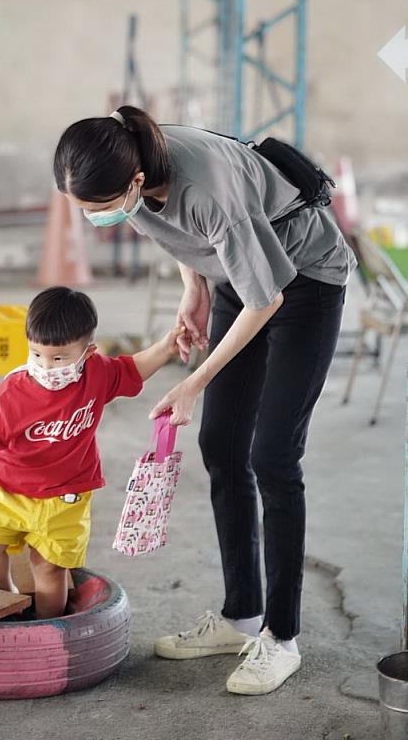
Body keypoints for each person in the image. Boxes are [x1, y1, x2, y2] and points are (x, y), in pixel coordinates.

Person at [53, 106, 357, 695]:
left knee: (271, 455)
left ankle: (281, 636)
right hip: (236, 281)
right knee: (221, 443)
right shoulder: (131, 165)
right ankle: (241, 614)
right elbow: (179, 236)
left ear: (136, 180)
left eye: (97, 208)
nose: (93, 218)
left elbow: (265, 299)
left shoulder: (207, 190)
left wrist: (193, 381)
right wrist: (192, 288)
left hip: (304, 283)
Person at [0, 286, 183, 620]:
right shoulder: (15, 389)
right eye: (37, 354)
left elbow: (133, 369)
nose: (47, 367)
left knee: (50, 571)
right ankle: (4, 606)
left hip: (65, 497)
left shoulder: (97, 374)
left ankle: (47, 627)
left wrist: (167, 346)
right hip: (5, 490)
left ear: (88, 352)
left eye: (59, 358)